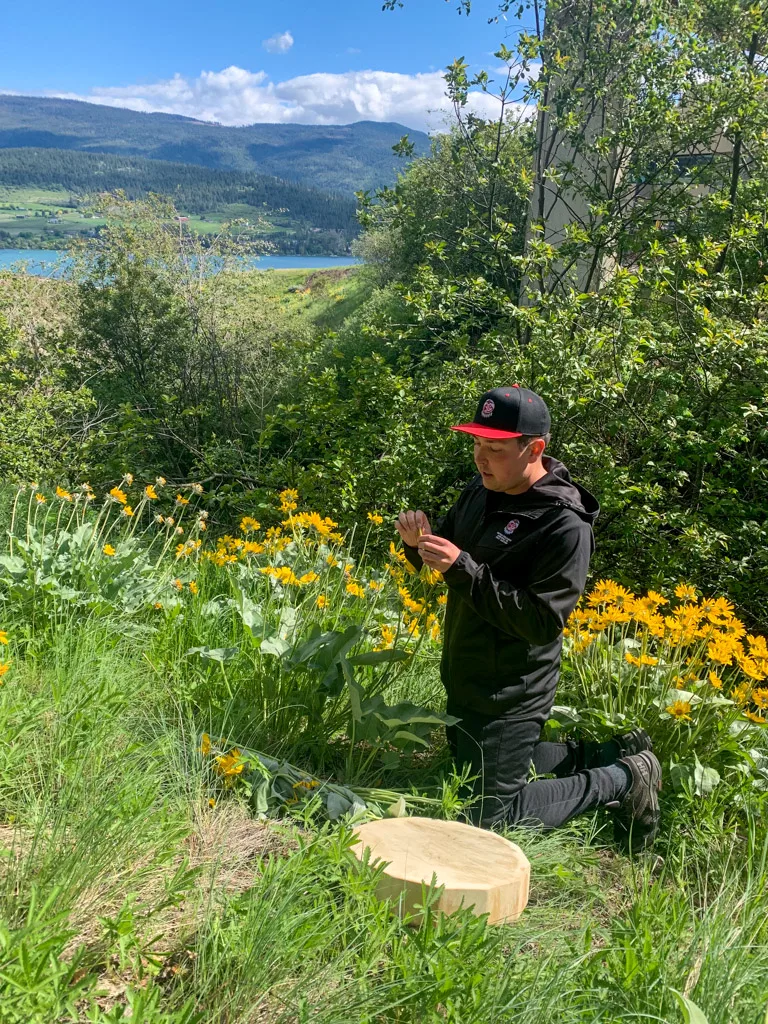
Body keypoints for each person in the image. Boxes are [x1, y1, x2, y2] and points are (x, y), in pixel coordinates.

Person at [396, 385, 662, 853]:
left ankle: (624, 778)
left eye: (494, 448)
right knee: (464, 773)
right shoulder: (482, 489)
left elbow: (542, 621)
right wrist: (419, 544)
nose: (481, 458)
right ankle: (608, 751)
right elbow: (453, 560)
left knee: (488, 820)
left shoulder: (564, 525)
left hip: (512, 688)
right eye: (476, 444)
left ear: (534, 448)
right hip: (467, 672)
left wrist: (462, 568)